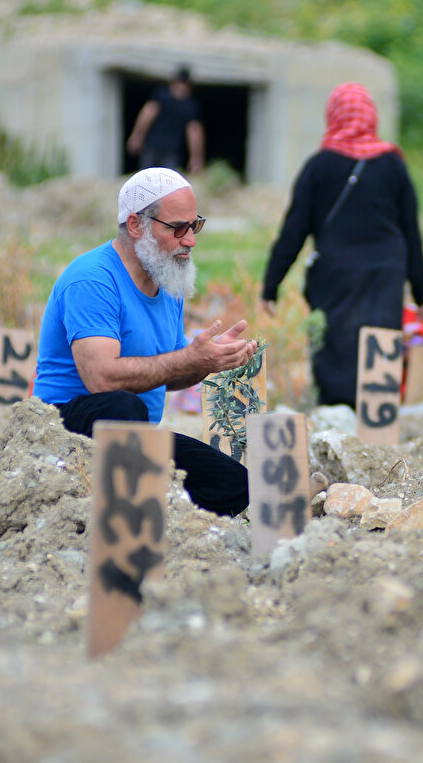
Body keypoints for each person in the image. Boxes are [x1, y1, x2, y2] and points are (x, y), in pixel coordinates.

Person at [33, 168, 256, 517]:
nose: (190, 241)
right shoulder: (92, 279)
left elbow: (167, 374)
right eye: (177, 228)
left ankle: (155, 513)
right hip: (65, 431)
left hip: (136, 436)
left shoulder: (168, 280)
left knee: (235, 483)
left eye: (194, 226)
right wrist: (188, 358)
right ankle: (118, 514)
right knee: (124, 405)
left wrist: (207, 360)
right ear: (136, 225)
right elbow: (102, 379)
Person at [260, 82, 423, 408]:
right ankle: (378, 414)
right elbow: (411, 232)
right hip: (386, 272)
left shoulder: (319, 166)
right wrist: (422, 291)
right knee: (380, 337)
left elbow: (293, 230)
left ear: (333, 115)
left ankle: (335, 412)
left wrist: (271, 284)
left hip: (335, 272)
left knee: (335, 341)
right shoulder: (393, 165)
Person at [126, 66, 206, 173]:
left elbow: (194, 131)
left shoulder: (189, 105)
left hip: (171, 151)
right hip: (153, 147)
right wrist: (137, 137)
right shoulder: (163, 96)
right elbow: (148, 114)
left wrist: (196, 158)